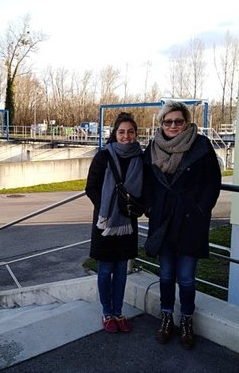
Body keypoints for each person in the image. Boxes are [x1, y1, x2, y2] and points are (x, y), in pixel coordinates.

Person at [143, 101, 221, 349]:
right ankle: (166, 317)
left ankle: (187, 320)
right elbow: (146, 185)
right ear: (161, 124)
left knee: (186, 278)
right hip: (163, 220)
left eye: (178, 121)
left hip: (190, 220)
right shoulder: (153, 148)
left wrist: (200, 209)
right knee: (166, 274)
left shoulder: (201, 146)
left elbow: (212, 182)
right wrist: (151, 208)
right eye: (168, 121)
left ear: (186, 122)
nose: (173, 125)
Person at [85, 112, 144, 333]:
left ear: (136, 134)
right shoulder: (103, 156)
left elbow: (145, 188)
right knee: (105, 270)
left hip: (128, 222)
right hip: (106, 223)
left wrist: (133, 205)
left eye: (130, 132)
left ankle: (118, 312)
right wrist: (108, 208)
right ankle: (107, 313)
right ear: (115, 134)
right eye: (122, 132)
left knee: (121, 270)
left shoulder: (141, 157)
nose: (126, 136)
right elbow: (90, 188)